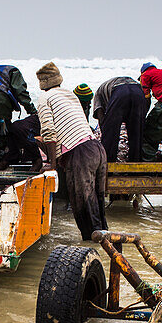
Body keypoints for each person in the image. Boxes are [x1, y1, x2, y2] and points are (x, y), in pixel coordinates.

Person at [36, 61, 108, 240]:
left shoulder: (45, 98)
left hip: (80, 153)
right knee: (98, 204)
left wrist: (52, 164)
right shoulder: (70, 95)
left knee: (83, 205)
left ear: (42, 83)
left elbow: (49, 132)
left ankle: (92, 247)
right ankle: (109, 246)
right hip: (97, 148)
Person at [91, 75, 147, 162]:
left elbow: (101, 117)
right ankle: (135, 166)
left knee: (110, 133)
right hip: (138, 91)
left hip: (120, 93)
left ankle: (108, 165)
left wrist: (105, 131)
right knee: (137, 133)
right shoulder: (106, 89)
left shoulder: (98, 95)